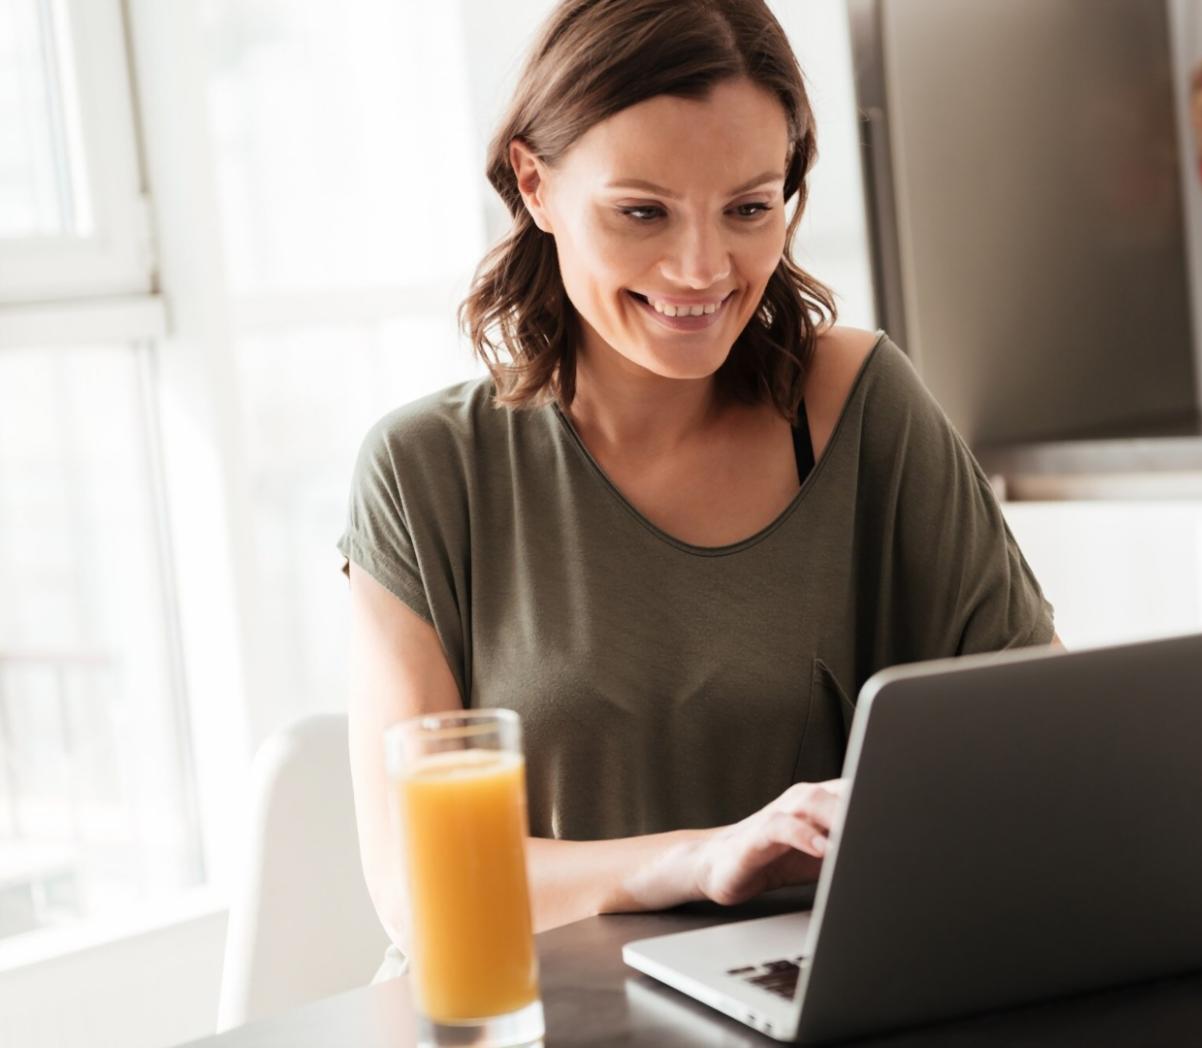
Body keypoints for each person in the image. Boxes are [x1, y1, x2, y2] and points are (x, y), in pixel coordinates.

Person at [338, 0, 1059, 970]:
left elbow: (1049, 747)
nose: (702, 268)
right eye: (642, 210)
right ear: (534, 181)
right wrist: (697, 858)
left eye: (749, 207)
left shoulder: (855, 407)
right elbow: (422, 890)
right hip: (521, 1021)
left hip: (802, 1004)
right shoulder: (424, 472)